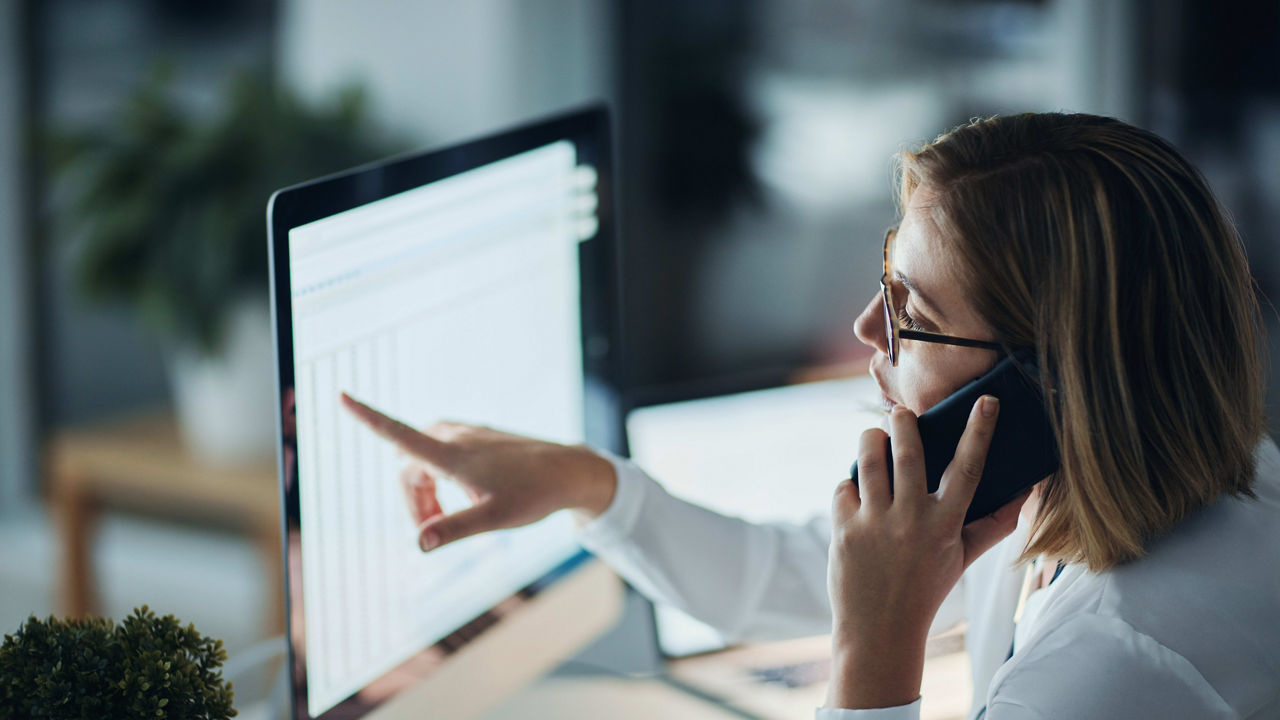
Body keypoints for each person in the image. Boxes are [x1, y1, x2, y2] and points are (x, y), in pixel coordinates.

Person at [340, 112, 1280, 719]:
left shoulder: (1113, 676)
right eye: (885, 276)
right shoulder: (1164, 479)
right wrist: (585, 485)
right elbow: (796, 575)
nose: (866, 327)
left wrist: (875, 659)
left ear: (1044, 386)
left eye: (913, 312)